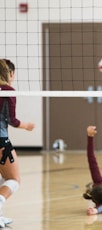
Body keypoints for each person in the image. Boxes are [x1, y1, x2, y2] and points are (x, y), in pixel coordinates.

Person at [0, 59, 35, 227]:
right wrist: (27, 126)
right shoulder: (7, 90)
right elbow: (11, 120)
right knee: (14, 179)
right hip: (0, 140)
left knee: (3, 179)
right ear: (10, 74)